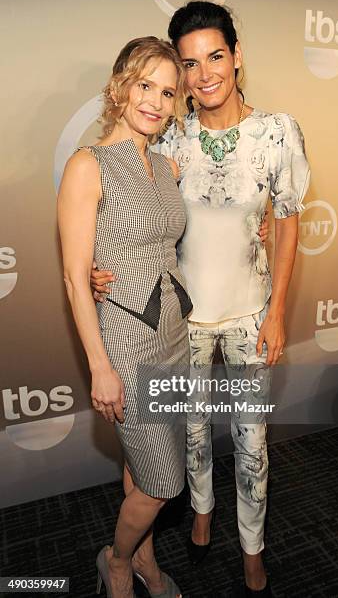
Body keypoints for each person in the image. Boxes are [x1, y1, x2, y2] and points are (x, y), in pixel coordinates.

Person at [91, 0, 310, 598]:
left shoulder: (276, 132)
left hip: (247, 318)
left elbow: (286, 221)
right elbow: (134, 220)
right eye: (188, 63)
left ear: (237, 58)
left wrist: (278, 311)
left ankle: (253, 549)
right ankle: (203, 514)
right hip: (179, 324)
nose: (203, 73)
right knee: (187, 439)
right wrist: (94, 269)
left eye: (215, 56)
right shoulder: (168, 139)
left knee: (251, 444)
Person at [58, 36, 192, 598]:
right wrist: (99, 365)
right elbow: (74, 275)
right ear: (120, 86)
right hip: (126, 343)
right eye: (145, 86)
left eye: (167, 92)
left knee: (142, 467)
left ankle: (147, 563)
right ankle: (115, 561)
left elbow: (164, 239)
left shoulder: (166, 164)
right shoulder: (88, 166)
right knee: (164, 482)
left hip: (173, 336)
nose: (156, 102)